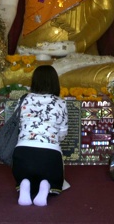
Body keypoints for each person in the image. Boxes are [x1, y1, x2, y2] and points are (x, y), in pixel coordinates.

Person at [12, 65, 68, 207]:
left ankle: (25, 183)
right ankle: (46, 185)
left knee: (26, 173)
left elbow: (18, 126)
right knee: (53, 168)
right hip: (49, 157)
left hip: (22, 155)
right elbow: (62, 134)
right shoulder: (61, 103)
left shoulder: (23, 99)